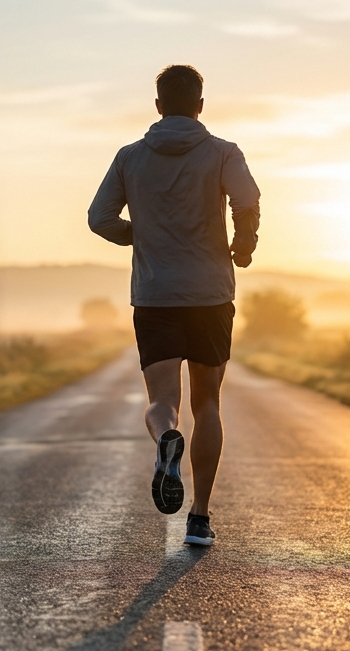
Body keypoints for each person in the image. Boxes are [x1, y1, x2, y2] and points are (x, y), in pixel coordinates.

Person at [87, 64, 260, 547]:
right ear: (201, 105)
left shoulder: (129, 157)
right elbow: (247, 201)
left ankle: (166, 438)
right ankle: (200, 518)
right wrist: (243, 244)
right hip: (210, 295)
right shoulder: (224, 153)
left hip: (155, 295)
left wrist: (137, 237)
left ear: (158, 105)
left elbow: (99, 218)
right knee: (208, 404)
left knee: (163, 402)